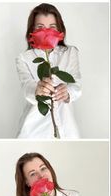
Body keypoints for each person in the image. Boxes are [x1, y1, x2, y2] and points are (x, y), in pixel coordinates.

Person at [16, 3, 81, 139]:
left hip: (67, 129)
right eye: (40, 27)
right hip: (34, 130)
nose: (46, 32)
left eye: (52, 27)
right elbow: (26, 86)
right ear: (32, 31)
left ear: (59, 30)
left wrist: (67, 92)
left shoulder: (70, 52)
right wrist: (37, 90)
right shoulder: (24, 58)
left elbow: (76, 85)